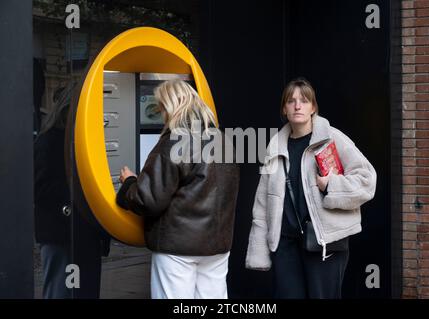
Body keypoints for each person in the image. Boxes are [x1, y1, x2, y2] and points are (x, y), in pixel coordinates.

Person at [245, 78, 377, 299]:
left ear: (313, 107)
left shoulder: (331, 138)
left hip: (325, 243)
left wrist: (332, 186)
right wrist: (259, 250)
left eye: (304, 101)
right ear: (284, 109)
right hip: (286, 244)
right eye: (291, 101)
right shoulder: (275, 146)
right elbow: (262, 202)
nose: (297, 106)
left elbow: (367, 180)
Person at [116, 79, 240, 299]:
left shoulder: (175, 141)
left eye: (162, 107)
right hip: (217, 246)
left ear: (173, 105)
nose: (162, 114)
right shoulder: (224, 140)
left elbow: (148, 199)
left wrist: (129, 183)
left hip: (177, 248)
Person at [34, 81, 110, 299]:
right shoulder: (50, 141)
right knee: (62, 289)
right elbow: (41, 188)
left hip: (82, 231)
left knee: (80, 289)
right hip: (62, 232)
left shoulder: (82, 140)